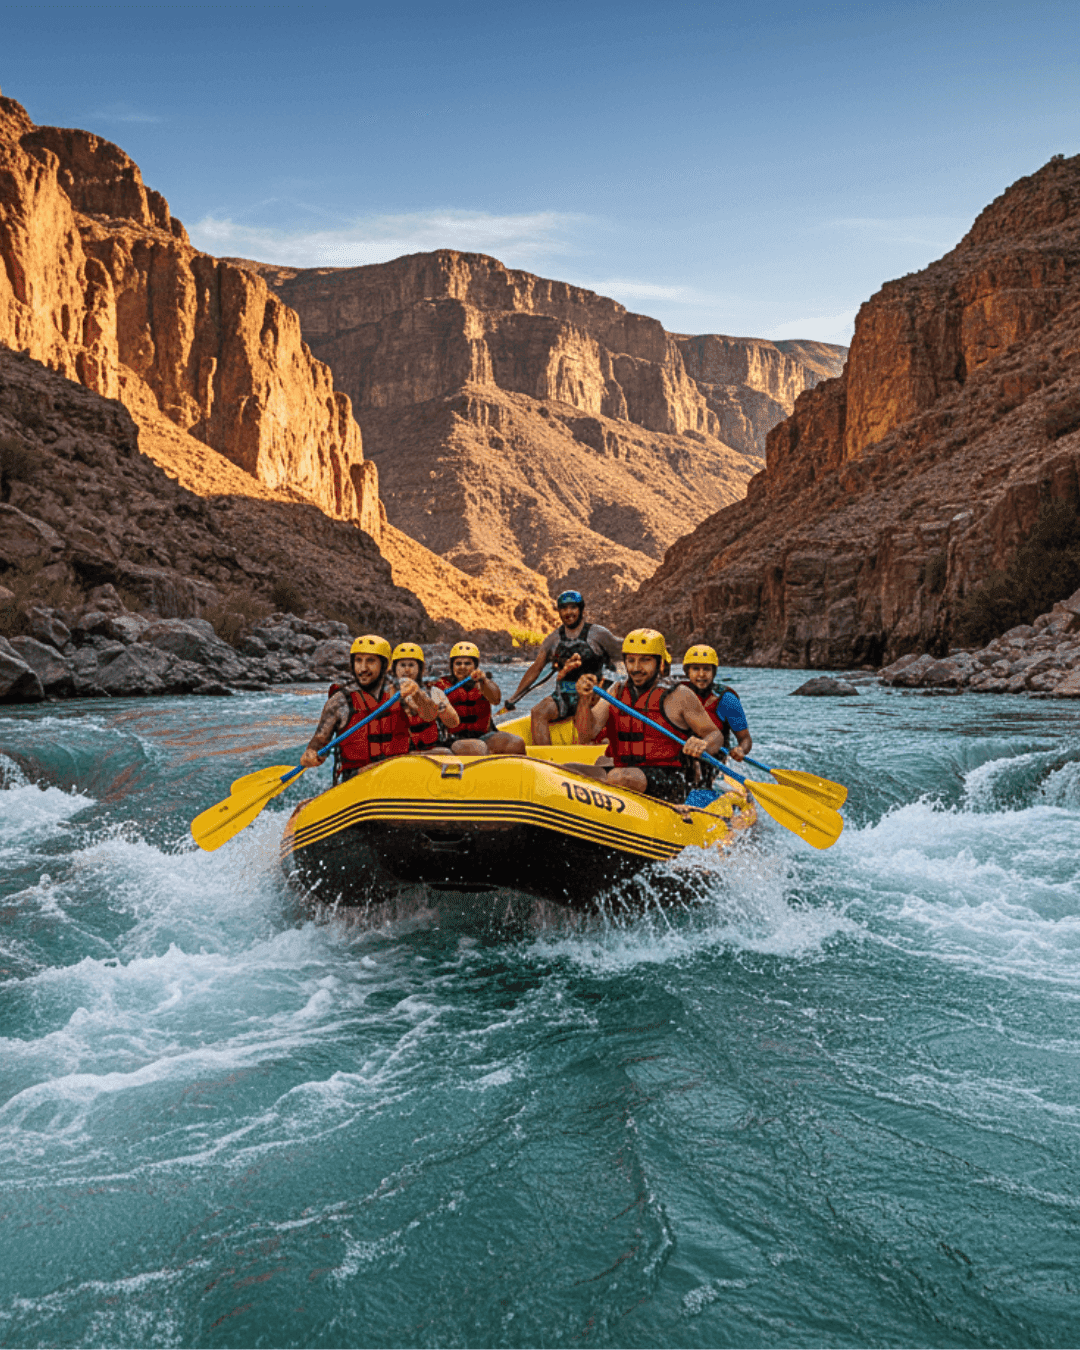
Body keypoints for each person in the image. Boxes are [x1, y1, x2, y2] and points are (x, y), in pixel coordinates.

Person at [573, 628, 728, 803]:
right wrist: (584, 700)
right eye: (631, 660)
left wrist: (703, 744)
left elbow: (715, 735)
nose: (636, 668)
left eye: (645, 660)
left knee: (620, 777)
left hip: (670, 779)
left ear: (659, 662)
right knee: (567, 769)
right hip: (623, 770)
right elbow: (586, 734)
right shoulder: (616, 691)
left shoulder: (679, 695)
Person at [301, 634, 439, 780]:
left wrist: (418, 695)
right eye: (358, 660)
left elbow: (429, 715)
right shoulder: (340, 700)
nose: (363, 668)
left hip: (398, 773)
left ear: (384, 665)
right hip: (358, 779)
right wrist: (311, 753)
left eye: (370, 661)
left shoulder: (401, 692)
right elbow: (320, 740)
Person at [505, 590, 622, 745]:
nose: (568, 612)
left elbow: (622, 652)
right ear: (559, 611)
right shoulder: (553, 639)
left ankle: (600, 741)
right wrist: (514, 697)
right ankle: (545, 756)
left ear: (581, 609)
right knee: (538, 712)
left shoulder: (598, 634)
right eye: (564, 608)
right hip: (565, 694)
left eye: (573, 607)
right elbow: (536, 669)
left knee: (592, 715)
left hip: (594, 693)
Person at [434, 642, 527, 756]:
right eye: (458, 663)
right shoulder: (442, 685)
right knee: (479, 747)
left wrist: (484, 681)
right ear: (452, 666)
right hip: (453, 739)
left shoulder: (483, 685)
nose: (462, 667)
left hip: (483, 736)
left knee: (517, 743)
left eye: (467, 663)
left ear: (475, 666)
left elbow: (496, 699)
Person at [679, 644, 753, 763]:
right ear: (687, 672)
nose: (701, 674)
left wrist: (741, 750)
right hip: (682, 759)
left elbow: (745, 739)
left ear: (714, 672)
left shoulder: (727, 699)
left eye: (707, 669)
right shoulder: (676, 694)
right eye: (696, 669)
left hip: (713, 762)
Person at [390, 641, 459, 753]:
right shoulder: (388, 694)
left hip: (432, 749)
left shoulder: (434, 692)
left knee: (446, 752)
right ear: (394, 669)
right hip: (401, 753)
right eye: (402, 665)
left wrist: (440, 707)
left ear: (420, 669)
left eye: (411, 665)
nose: (407, 670)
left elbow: (453, 723)